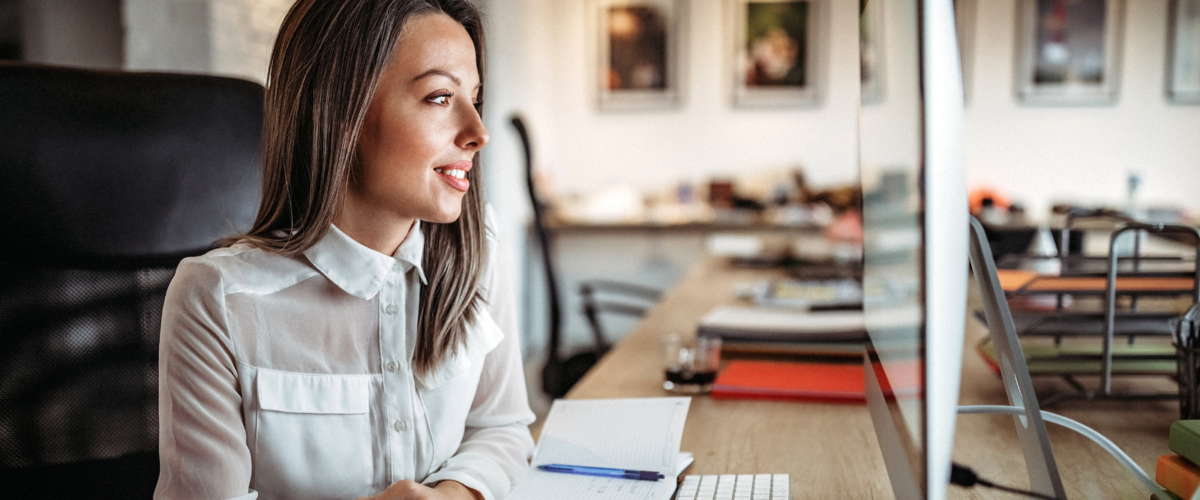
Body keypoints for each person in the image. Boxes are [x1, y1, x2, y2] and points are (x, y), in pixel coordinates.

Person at [153, 1, 535, 499]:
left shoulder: (477, 249)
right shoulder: (217, 300)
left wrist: (451, 494)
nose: (477, 133)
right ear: (339, 113)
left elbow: (501, 427)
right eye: (440, 97)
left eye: (475, 99)